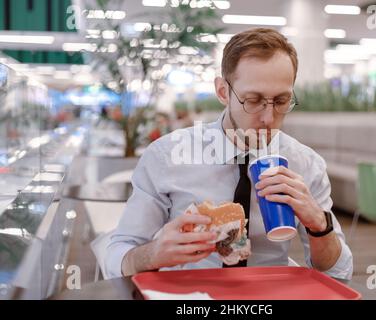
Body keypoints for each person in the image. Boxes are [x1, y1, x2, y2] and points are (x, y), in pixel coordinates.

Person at [105, 28, 353, 280]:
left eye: (281, 101)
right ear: (223, 92)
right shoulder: (166, 156)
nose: (269, 118)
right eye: (253, 100)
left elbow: (339, 273)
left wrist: (320, 225)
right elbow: (117, 255)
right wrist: (153, 253)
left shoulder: (306, 164)